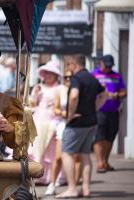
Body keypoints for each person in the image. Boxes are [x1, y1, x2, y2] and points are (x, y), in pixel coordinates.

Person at [56, 55, 107, 199]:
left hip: (77, 123)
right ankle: (86, 189)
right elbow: (105, 95)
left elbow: (73, 96)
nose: (68, 68)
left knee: (67, 153)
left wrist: (70, 115)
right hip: (91, 122)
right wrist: (94, 109)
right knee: (85, 155)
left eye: (68, 65)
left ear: (73, 64)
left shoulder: (77, 79)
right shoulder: (92, 78)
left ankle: (72, 188)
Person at [45, 71, 81, 195]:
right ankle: (52, 184)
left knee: (76, 157)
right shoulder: (60, 90)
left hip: (77, 124)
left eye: (70, 77)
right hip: (63, 124)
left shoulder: (79, 88)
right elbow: (56, 108)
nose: (68, 79)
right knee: (59, 157)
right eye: (65, 77)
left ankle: (74, 186)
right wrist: (64, 114)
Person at [29, 60, 62, 184]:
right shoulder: (39, 87)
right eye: (46, 73)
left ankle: (50, 176)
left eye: (51, 73)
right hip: (39, 118)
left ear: (56, 75)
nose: (47, 75)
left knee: (50, 148)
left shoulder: (59, 88)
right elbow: (33, 103)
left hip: (52, 119)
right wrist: (35, 93)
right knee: (35, 146)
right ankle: (35, 172)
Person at [92, 54, 127, 173]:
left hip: (113, 111)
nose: (108, 68)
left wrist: (116, 95)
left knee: (110, 136)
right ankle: (100, 163)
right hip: (99, 110)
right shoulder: (94, 74)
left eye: (110, 66)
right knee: (99, 136)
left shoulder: (116, 75)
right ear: (101, 63)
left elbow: (124, 92)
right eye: (106, 66)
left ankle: (105, 161)